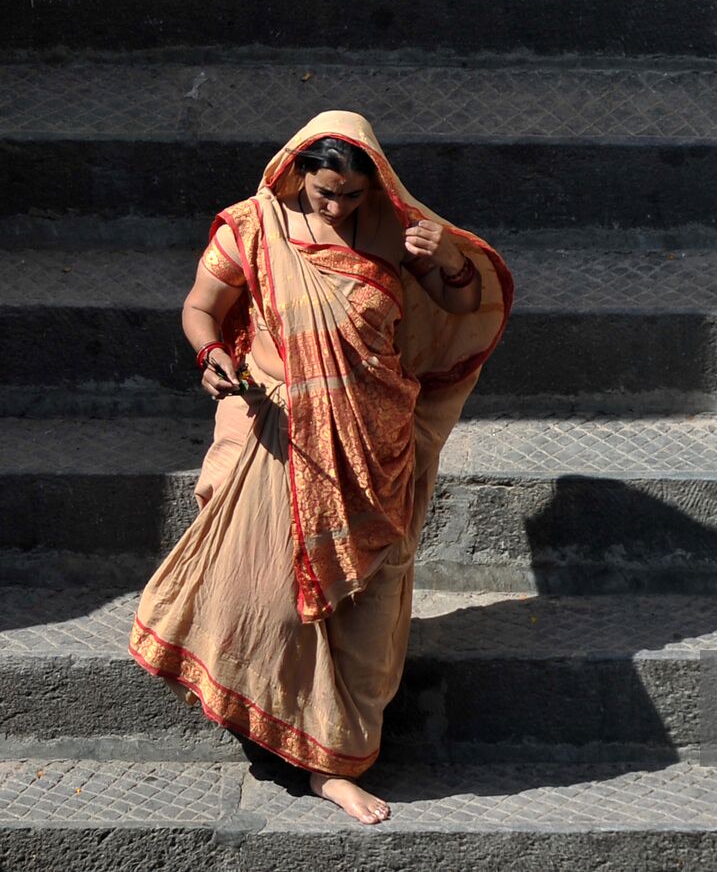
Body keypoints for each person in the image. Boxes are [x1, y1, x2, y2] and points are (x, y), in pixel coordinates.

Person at [128, 111, 513, 824]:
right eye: (323, 191)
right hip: (280, 433)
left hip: (375, 440)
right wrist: (210, 355)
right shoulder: (251, 227)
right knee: (270, 594)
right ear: (297, 170)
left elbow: (464, 304)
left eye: (349, 195)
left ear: (374, 184)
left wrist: (452, 255)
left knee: (368, 607)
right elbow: (200, 308)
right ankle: (292, 737)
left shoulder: (398, 231)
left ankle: (337, 764)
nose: (334, 206)